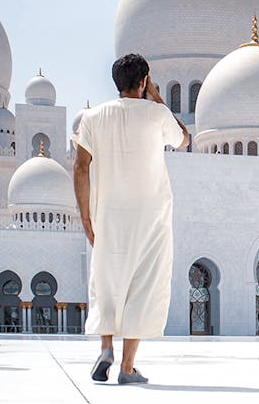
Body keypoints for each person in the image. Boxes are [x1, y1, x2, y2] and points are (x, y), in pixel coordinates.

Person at [73, 53, 189, 385]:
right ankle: (127, 367)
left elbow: (81, 167)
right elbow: (183, 139)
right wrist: (158, 99)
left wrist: (85, 215)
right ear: (143, 81)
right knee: (144, 284)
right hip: (151, 216)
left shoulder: (93, 118)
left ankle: (106, 347)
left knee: (107, 282)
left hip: (107, 214)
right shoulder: (157, 115)